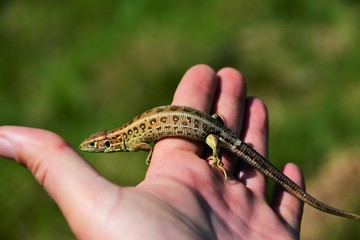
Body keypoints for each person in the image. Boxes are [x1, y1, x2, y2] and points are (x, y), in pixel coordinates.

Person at [0, 65, 304, 239]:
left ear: (107, 143)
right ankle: (215, 150)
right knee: (217, 136)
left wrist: (210, 157)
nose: (94, 148)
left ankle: (215, 155)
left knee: (221, 145)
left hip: (211, 133)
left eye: (96, 145)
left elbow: (147, 144)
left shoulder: (131, 140)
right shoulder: (127, 135)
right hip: (212, 129)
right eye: (94, 145)